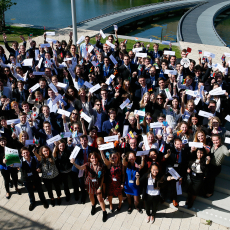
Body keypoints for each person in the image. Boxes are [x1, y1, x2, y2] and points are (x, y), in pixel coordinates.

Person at [70, 152, 108, 222]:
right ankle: (93, 206)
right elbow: (80, 168)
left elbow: (102, 177)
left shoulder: (101, 166)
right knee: (91, 196)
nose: (94, 159)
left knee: (100, 199)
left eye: (95, 158)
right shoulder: (88, 164)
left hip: (98, 184)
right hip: (89, 184)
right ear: (90, 159)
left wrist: (100, 187)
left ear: (98, 158)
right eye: (92, 158)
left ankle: (104, 212)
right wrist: (74, 163)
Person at [20, 147, 49, 211]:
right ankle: (32, 202)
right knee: (30, 192)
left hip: (35, 178)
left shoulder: (34, 158)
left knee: (40, 191)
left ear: (29, 152)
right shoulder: (20, 161)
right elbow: (14, 165)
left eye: (27, 152)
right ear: (22, 154)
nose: (26, 154)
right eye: (24, 153)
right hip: (26, 179)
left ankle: (43, 201)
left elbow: (39, 160)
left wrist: (39, 168)